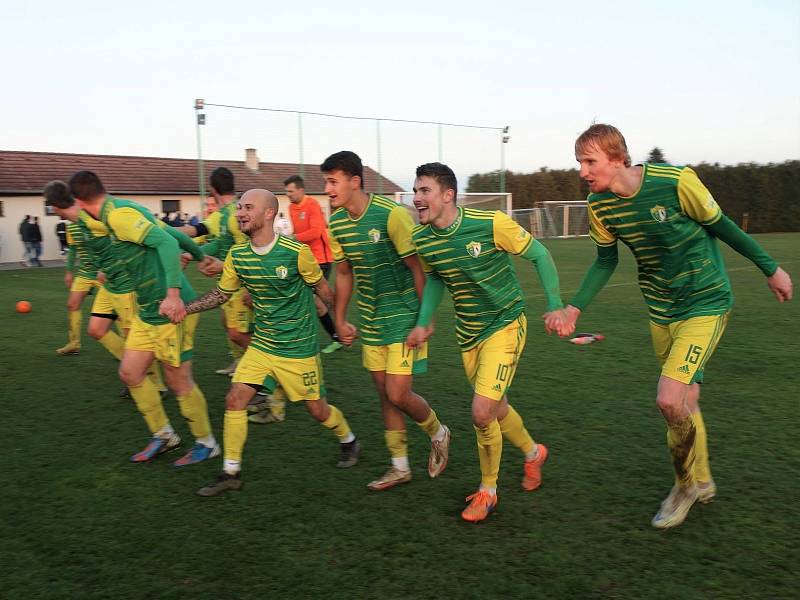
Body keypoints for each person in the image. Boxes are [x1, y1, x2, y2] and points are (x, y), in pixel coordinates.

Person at [550, 123, 794, 529]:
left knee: (668, 399)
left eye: (589, 162)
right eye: (580, 163)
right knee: (686, 399)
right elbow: (606, 261)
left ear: (617, 159)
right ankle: (703, 478)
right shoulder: (600, 207)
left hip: (706, 301)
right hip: (662, 310)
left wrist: (770, 268)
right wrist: (575, 308)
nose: (582, 172)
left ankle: (684, 487)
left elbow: (722, 225)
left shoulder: (677, 181)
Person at [406, 162, 564, 522]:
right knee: (497, 408)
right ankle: (533, 453)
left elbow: (539, 254)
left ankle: (487, 491)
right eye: (415, 191)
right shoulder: (423, 239)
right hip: (468, 334)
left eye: (424, 191)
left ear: (448, 195)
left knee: (481, 412)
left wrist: (554, 304)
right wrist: (424, 321)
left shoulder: (490, 224)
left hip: (506, 324)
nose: (416, 198)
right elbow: (435, 280)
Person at [183, 188, 361, 496]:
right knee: (234, 400)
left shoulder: (295, 253)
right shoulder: (238, 256)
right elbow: (221, 294)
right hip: (264, 345)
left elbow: (324, 292)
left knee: (318, 411)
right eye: (239, 207)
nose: (239, 213)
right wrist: (185, 309)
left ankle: (349, 440)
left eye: (247, 207)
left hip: (298, 348)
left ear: (268, 214)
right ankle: (230, 472)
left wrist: (339, 323)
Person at [69, 170, 220, 467]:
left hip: (172, 310)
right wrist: (201, 256)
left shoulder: (119, 217)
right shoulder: (119, 211)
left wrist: (174, 294)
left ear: (78, 200)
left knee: (178, 382)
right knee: (130, 372)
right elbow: (173, 233)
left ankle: (206, 443)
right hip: (148, 310)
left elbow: (165, 243)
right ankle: (164, 435)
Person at [323, 151, 451, 491]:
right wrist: (340, 320)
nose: (328, 189)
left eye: (333, 181)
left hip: (404, 316)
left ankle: (438, 432)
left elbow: (417, 268)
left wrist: (425, 319)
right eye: (326, 182)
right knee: (384, 394)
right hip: (372, 319)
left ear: (354, 181)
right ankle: (399, 467)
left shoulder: (391, 215)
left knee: (397, 392)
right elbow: (344, 273)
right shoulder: (336, 223)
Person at [44, 181, 168, 399]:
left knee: (133, 336)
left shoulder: (92, 218)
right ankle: (134, 367)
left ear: (54, 206)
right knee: (96, 330)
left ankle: (155, 383)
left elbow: (127, 231)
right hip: (109, 283)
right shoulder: (77, 222)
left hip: (125, 284)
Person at [180, 168, 255, 378]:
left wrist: (249, 285)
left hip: (242, 282)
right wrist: (164, 232)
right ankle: (241, 361)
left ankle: (267, 366)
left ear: (212, 189)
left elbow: (252, 249)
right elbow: (198, 232)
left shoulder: (236, 215)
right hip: (227, 284)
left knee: (237, 333)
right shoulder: (221, 215)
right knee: (226, 323)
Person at [284, 175, 342, 354]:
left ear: (301, 190)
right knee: (314, 301)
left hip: (321, 260)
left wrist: (293, 238)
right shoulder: (291, 208)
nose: (288, 195)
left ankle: (335, 330)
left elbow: (316, 232)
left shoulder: (312, 205)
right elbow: (298, 233)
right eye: (286, 192)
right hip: (305, 260)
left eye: (291, 191)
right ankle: (336, 333)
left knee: (314, 301)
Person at [53, 195, 102, 356]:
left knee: (117, 312)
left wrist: (106, 268)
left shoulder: (93, 221)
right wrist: (68, 271)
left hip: (104, 272)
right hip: (85, 272)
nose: (54, 210)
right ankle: (74, 344)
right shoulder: (70, 227)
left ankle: (127, 349)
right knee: (72, 305)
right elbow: (73, 249)